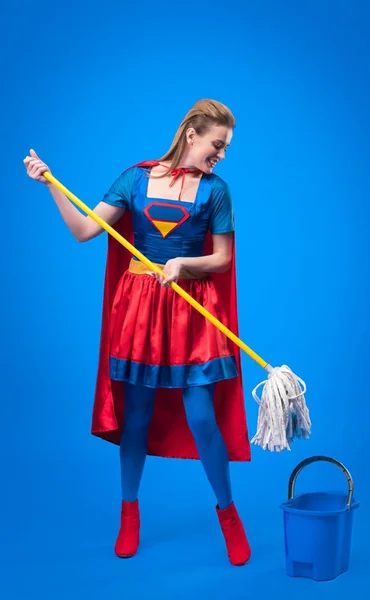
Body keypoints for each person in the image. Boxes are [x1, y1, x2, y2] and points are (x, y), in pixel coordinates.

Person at [23, 98, 251, 566]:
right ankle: (129, 513)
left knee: (202, 416)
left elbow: (223, 260)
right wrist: (50, 184)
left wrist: (185, 263)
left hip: (191, 312)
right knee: (138, 416)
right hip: (142, 311)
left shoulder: (217, 192)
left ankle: (228, 514)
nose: (222, 154)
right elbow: (86, 231)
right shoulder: (135, 180)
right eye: (218, 144)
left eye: (225, 147)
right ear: (193, 135)